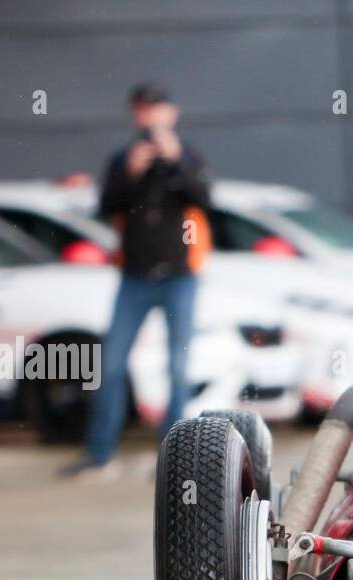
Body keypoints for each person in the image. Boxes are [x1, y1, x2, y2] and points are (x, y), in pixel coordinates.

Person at [62, 82, 211, 478]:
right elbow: (106, 205)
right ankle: (100, 451)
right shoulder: (124, 158)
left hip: (179, 277)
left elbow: (204, 196)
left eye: (157, 109)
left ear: (171, 113)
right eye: (143, 110)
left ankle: (174, 459)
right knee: (111, 363)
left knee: (178, 367)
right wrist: (131, 173)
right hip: (135, 278)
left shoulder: (186, 156)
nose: (150, 118)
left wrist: (175, 161)